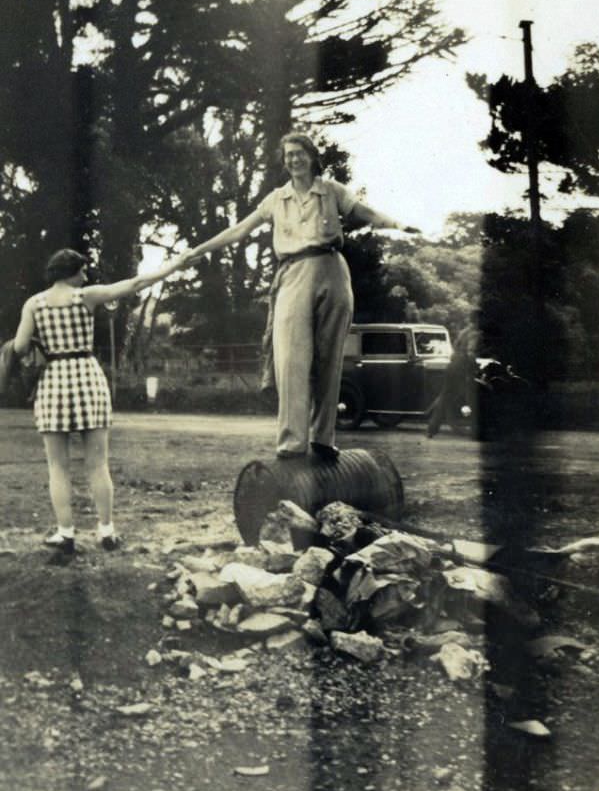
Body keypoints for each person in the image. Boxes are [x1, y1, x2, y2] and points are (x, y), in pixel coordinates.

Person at [185, 132, 419, 462]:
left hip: (332, 271)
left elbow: (362, 211)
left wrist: (397, 224)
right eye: (289, 155)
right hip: (293, 272)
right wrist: (200, 250)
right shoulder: (275, 199)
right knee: (291, 361)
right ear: (285, 161)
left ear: (311, 157)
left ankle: (323, 438)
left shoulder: (331, 190)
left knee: (330, 358)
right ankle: (292, 443)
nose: (295, 159)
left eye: (300, 153)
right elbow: (239, 229)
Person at [13, 247, 189, 556]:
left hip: (53, 379)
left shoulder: (34, 304)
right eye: (81, 271)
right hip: (86, 376)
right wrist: (174, 265)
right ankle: (106, 530)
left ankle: (65, 534)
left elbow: (20, 346)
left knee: (58, 466)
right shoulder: (87, 296)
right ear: (70, 272)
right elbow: (135, 284)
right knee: (98, 463)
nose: (84, 276)